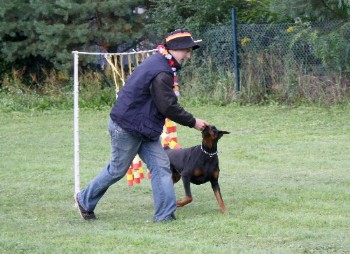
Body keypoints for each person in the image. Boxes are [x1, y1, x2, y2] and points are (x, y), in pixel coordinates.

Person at [75, 29, 209, 222]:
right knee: (117, 170)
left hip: (144, 127)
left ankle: (164, 216)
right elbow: (168, 106)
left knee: (161, 166)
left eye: (190, 50)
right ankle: (84, 199)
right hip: (127, 127)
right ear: (173, 49)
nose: (188, 55)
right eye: (186, 50)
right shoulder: (162, 71)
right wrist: (193, 122)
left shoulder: (160, 63)